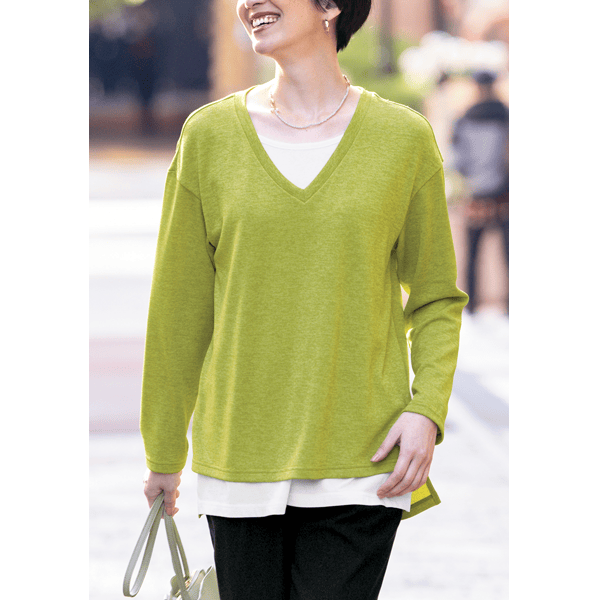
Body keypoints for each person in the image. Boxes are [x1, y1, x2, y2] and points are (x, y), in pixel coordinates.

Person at [141, 1, 468, 598]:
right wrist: (164, 451)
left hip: (363, 459)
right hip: (239, 460)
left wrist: (427, 410)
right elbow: (178, 311)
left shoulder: (402, 139)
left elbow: (435, 297)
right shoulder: (208, 137)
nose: (249, 3)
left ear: (330, 6)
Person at [451, 70, 509, 314]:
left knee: (473, 253)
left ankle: (472, 307)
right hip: (503, 193)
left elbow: (457, 160)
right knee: (508, 254)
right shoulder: (506, 116)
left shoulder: (464, 119)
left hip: (476, 193)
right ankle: (506, 308)